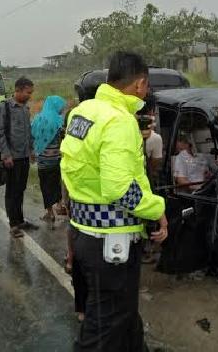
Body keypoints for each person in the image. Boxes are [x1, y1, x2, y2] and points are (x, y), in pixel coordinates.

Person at [61, 51, 168, 352]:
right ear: (139, 84)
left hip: (84, 230)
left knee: (123, 314)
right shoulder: (118, 121)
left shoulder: (84, 112)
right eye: (147, 87)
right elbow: (120, 189)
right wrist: (157, 208)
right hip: (110, 242)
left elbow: (77, 170)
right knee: (104, 324)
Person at [0, 77, 37, 238]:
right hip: (12, 157)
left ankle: (20, 220)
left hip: (24, 156)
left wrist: (31, 150)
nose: (30, 96)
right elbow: (0, 132)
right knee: (12, 191)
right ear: (18, 90)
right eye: (28, 92)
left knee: (20, 190)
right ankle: (13, 224)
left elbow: (28, 133)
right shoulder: (5, 107)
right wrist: (6, 155)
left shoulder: (26, 109)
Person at [32, 95, 67, 224]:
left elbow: (33, 136)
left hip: (42, 159)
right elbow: (64, 137)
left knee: (45, 185)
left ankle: (50, 212)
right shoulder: (59, 121)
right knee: (57, 182)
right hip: (57, 158)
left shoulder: (38, 119)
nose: (62, 110)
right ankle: (59, 205)